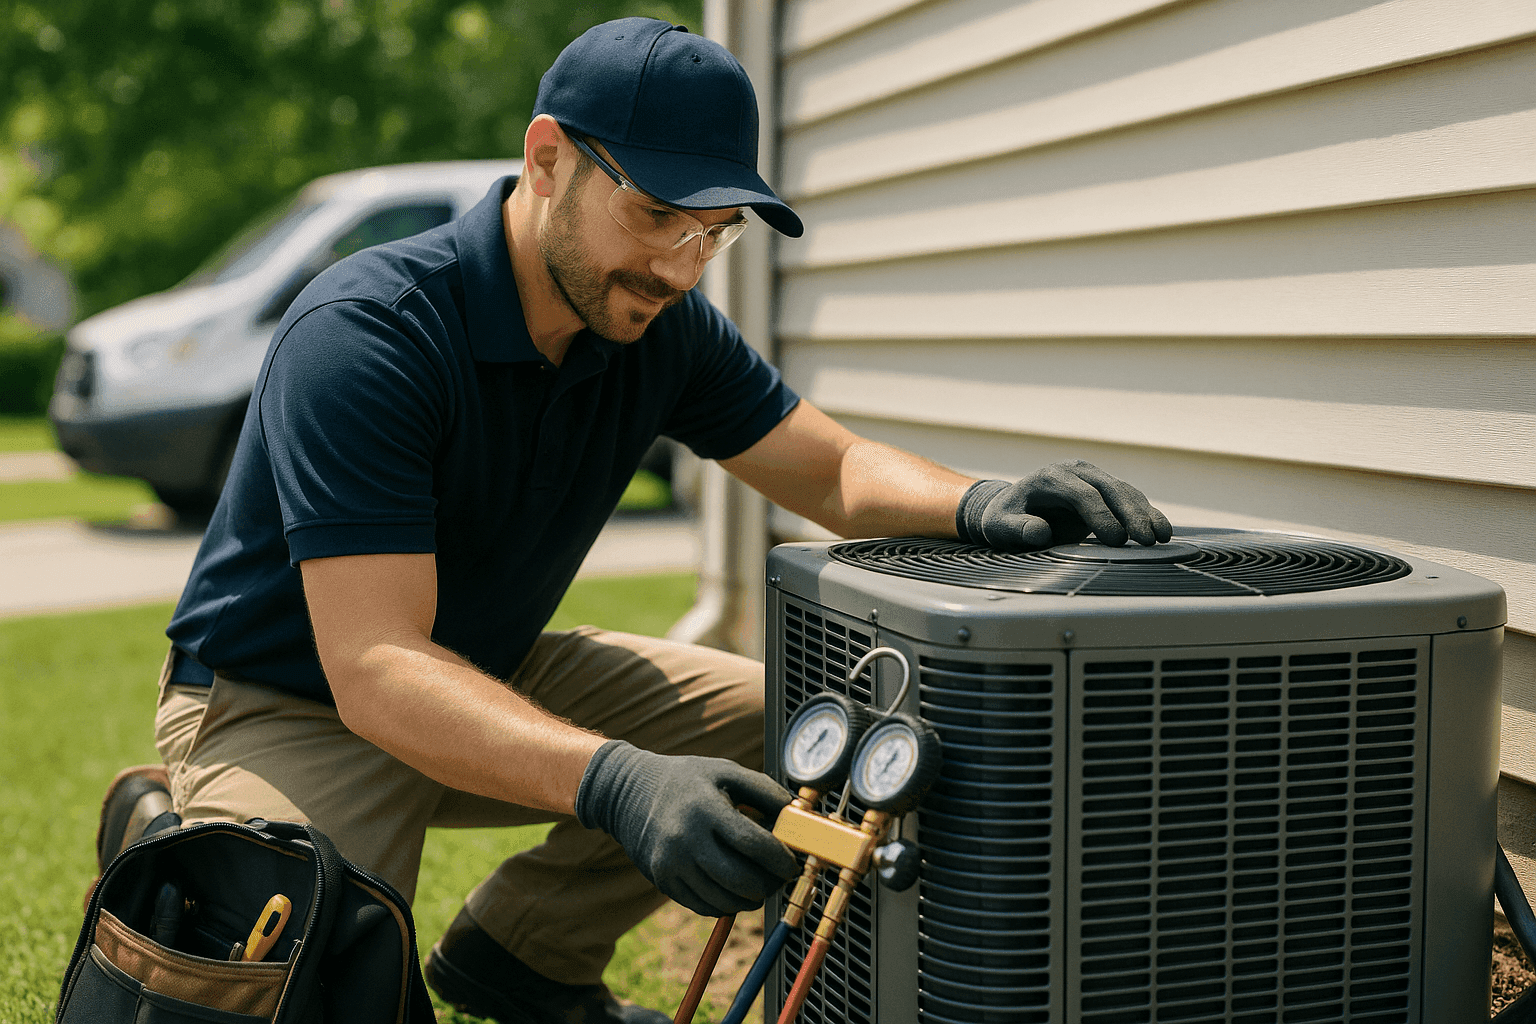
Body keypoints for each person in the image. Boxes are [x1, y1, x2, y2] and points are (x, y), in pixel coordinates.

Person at [93, 17, 1172, 1024]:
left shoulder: (661, 327)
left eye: (714, 233)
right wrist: (615, 779)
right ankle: (179, 819)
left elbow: (834, 467)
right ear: (548, 157)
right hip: (291, 696)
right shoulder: (370, 333)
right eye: (657, 214)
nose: (678, 264)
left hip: (482, 670)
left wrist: (982, 502)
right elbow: (374, 661)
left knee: (792, 715)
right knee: (325, 953)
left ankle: (521, 951)